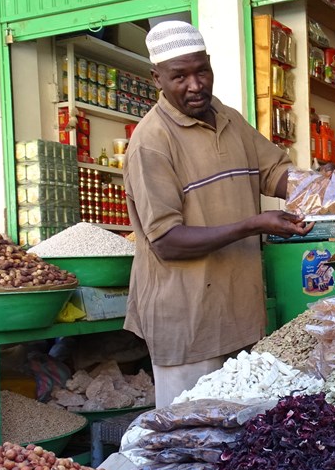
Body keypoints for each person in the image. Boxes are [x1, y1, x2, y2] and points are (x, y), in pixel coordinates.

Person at [123, 21, 311, 407]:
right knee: (189, 440)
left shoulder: (227, 117)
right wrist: (254, 224)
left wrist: (319, 188)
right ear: (156, 78)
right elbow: (167, 241)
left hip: (239, 310)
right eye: (179, 76)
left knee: (241, 441)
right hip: (187, 322)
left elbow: (273, 171)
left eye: (201, 70)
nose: (195, 85)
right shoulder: (151, 142)